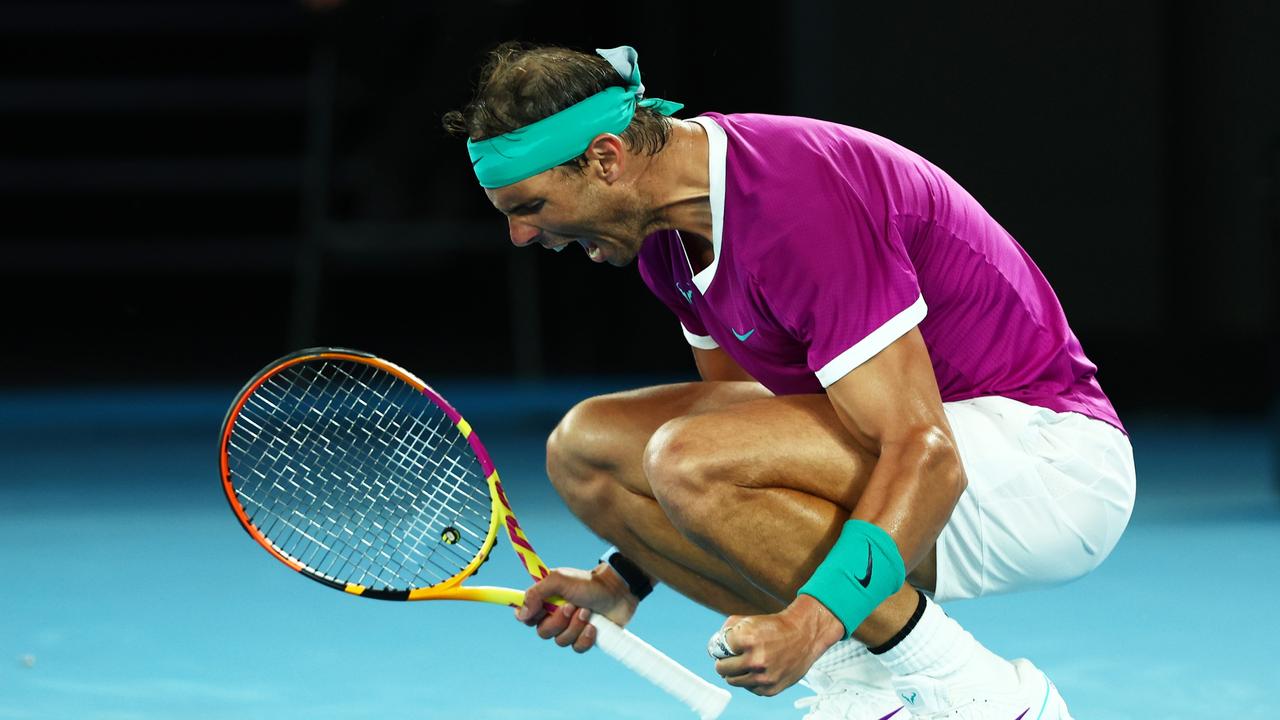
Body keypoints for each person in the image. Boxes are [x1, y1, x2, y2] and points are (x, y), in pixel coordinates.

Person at [443, 43, 1135, 720]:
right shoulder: (666, 239)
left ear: (604, 159)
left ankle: (975, 688)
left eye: (527, 206)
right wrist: (625, 576)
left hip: (1049, 466)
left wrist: (812, 622)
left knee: (688, 458)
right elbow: (753, 439)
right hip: (940, 449)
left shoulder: (799, 201)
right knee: (588, 450)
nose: (521, 237)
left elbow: (924, 448)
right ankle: (866, 685)